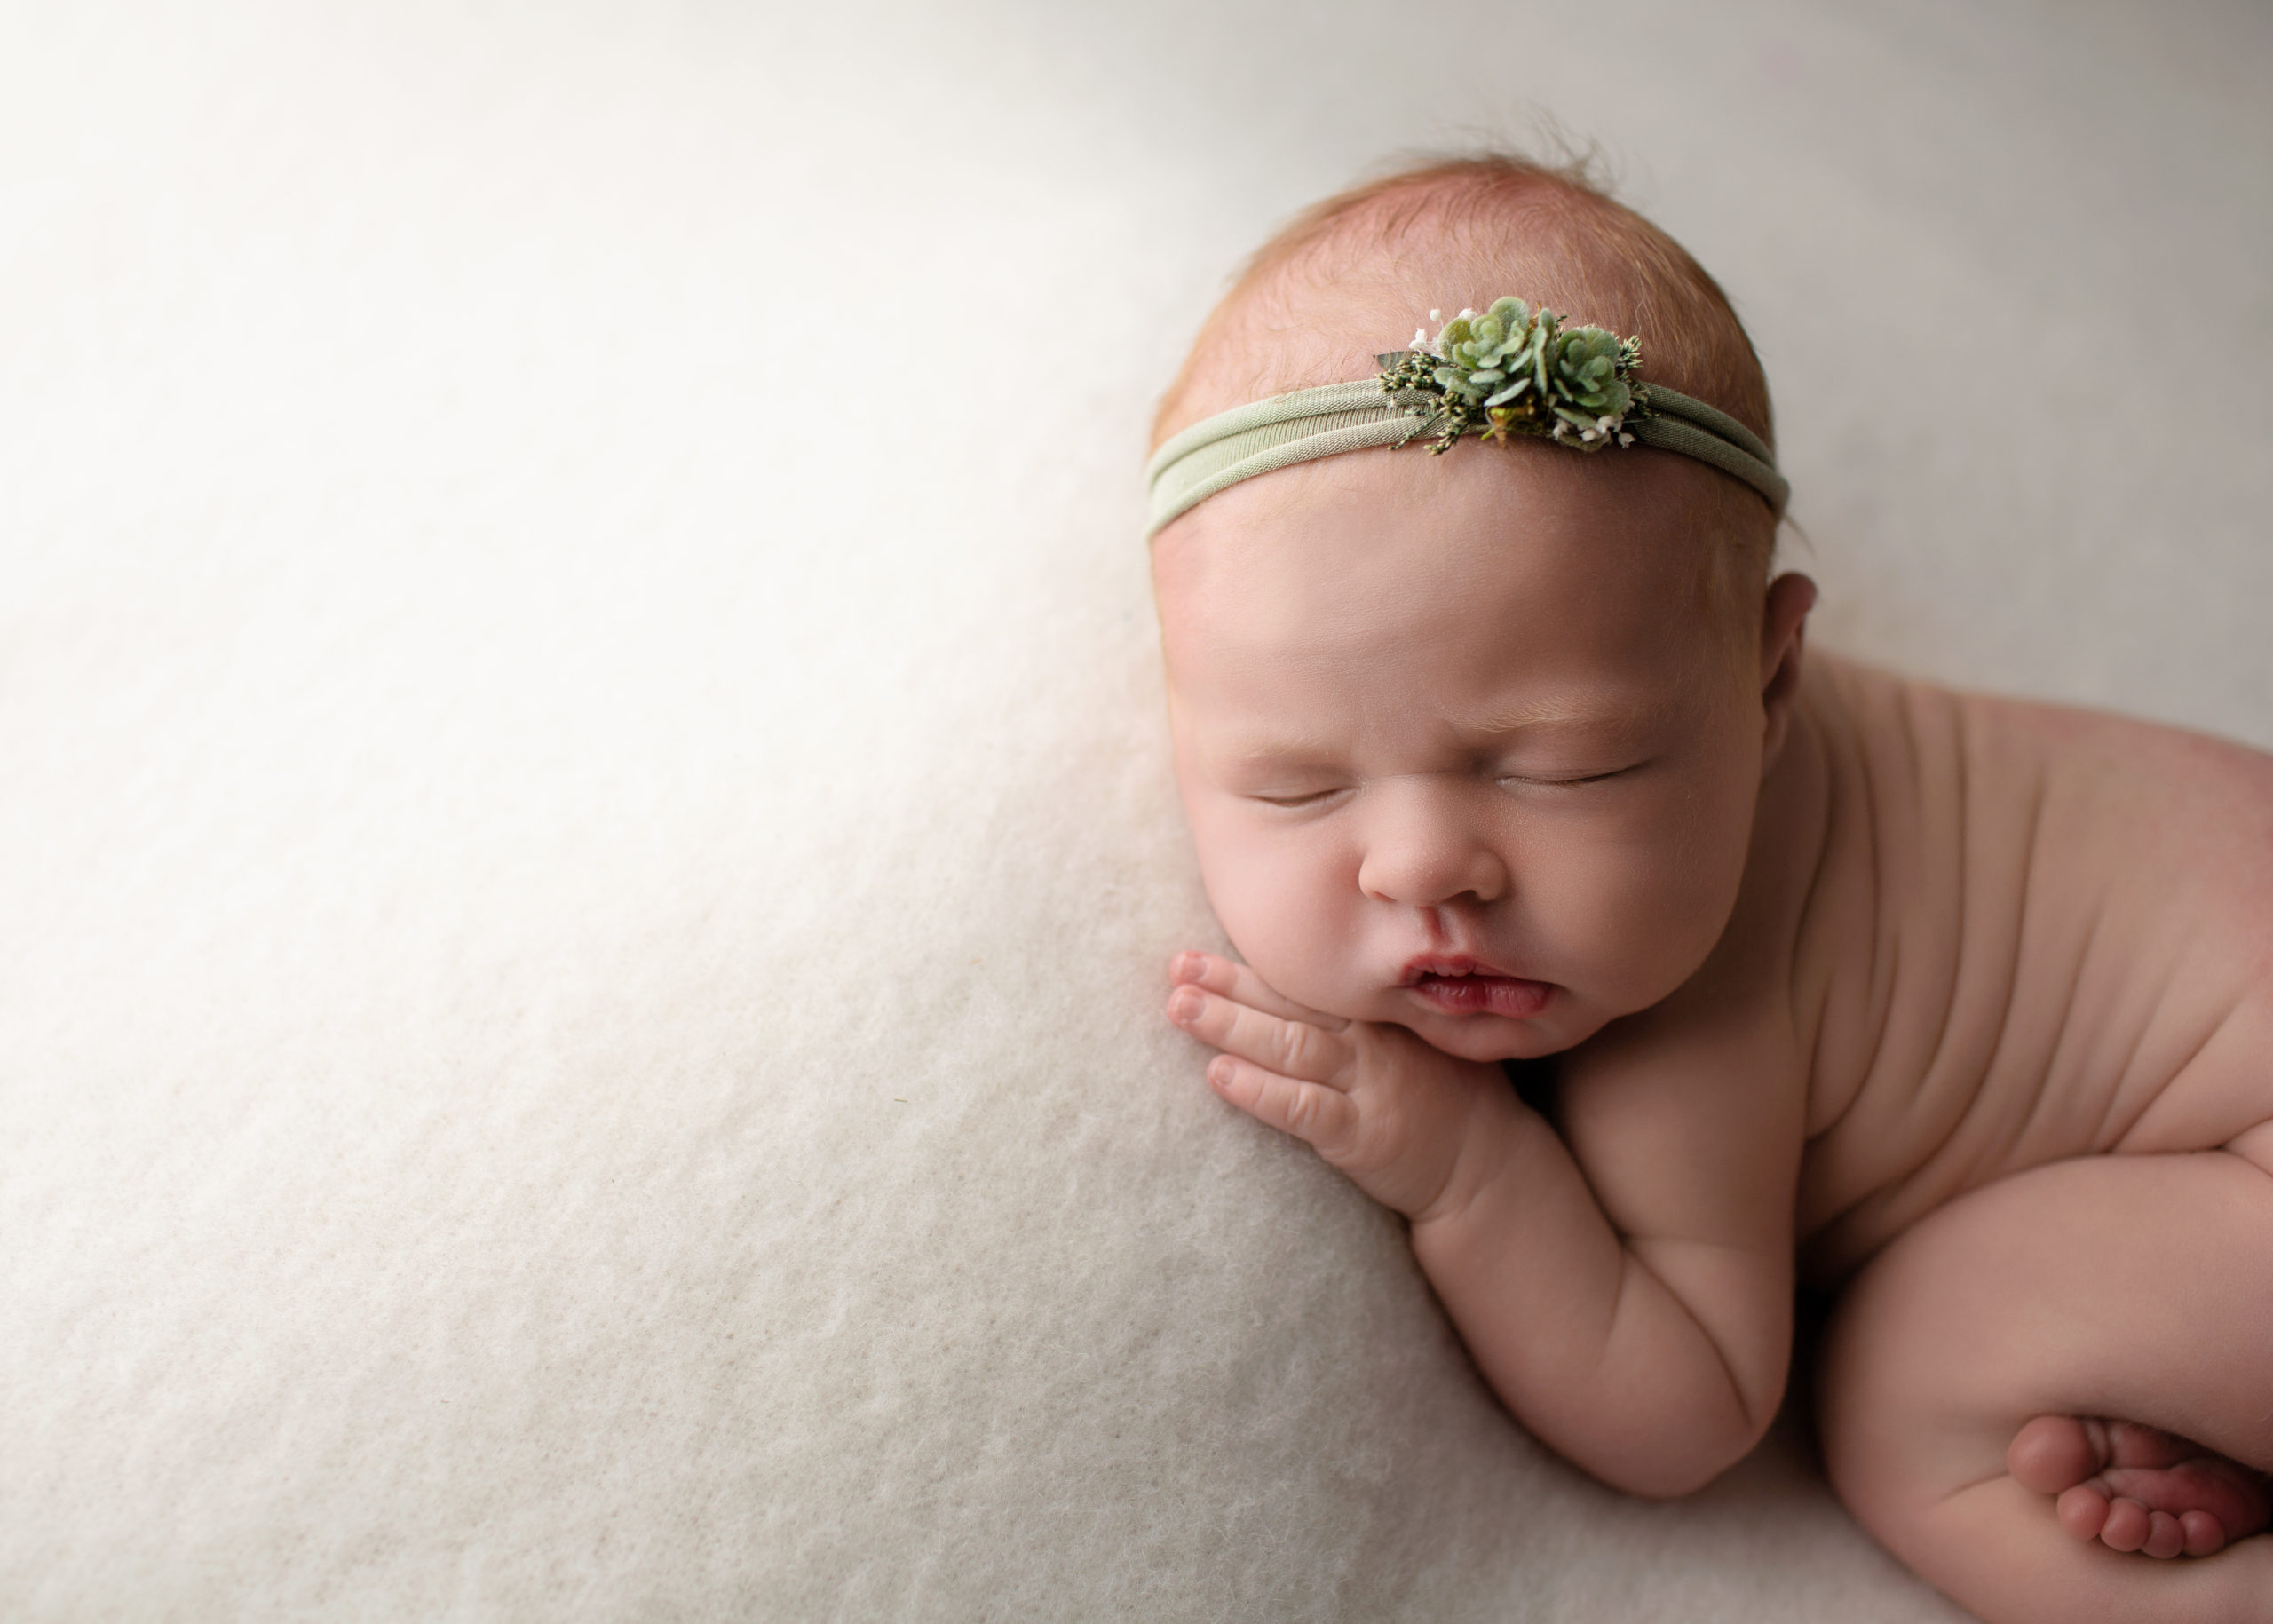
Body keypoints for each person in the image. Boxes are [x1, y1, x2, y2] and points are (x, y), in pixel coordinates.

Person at [1147, 153, 2273, 1622]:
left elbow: (1687, 1405)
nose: (1423, 865)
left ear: (1767, 678)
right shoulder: (1664, 700)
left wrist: (1468, 1169)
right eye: (1299, 783)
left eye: (1567, 767)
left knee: (1899, 1398)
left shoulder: (1691, 1009)